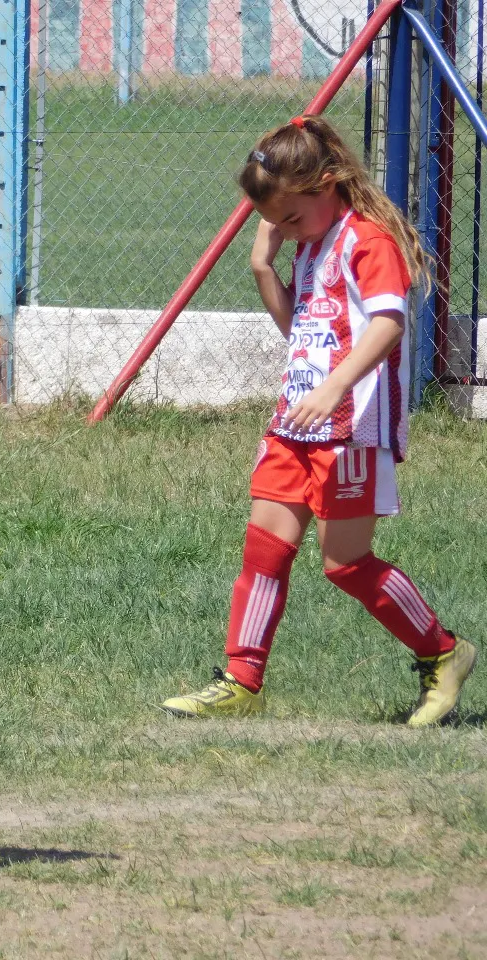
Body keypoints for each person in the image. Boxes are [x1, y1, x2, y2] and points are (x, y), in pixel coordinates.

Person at [162, 114, 476, 724]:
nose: (283, 231)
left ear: (327, 182)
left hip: (351, 428)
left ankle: (444, 652)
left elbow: (389, 324)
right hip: (296, 423)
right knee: (264, 550)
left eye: (290, 218)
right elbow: (298, 334)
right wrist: (262, 268)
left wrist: (336, 386)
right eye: (273, 223)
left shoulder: (369, 241)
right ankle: (240, 680)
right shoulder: (310, 246)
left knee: (346, 564)